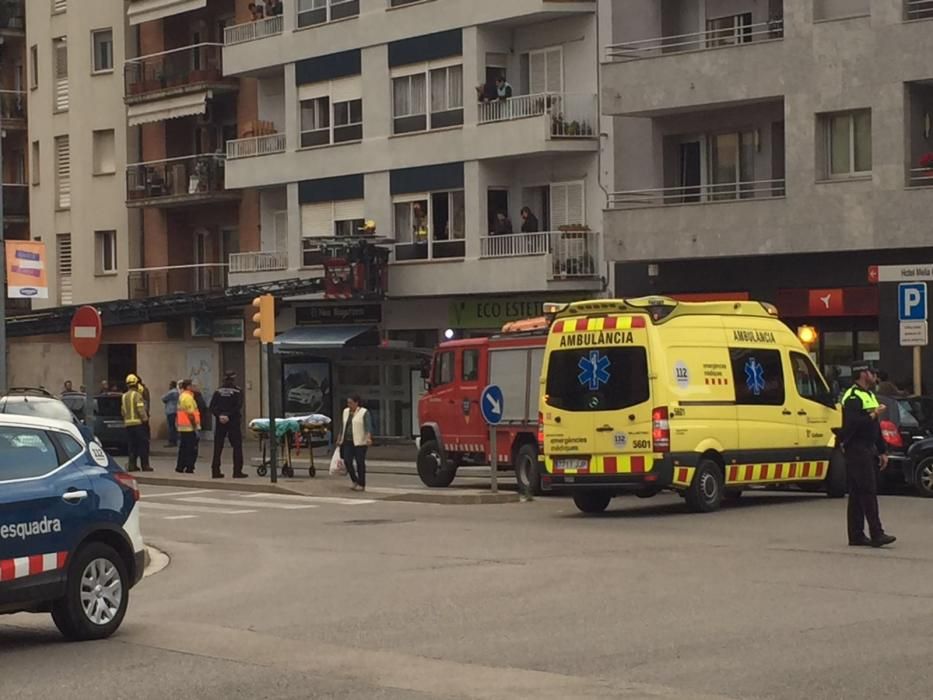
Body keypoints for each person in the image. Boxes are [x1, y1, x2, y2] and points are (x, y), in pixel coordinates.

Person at [838, 363, 896, 548]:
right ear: (863, 374)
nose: (874, 376)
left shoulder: (869, 395)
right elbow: (852, 425)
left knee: (856, 494)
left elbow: (875, 427)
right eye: (871, 372)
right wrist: (873, 415)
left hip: (868, 447)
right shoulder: (852, 397)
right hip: (856, 448)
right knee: (868, 491)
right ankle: (876, 533)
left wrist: (882, 450)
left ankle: (856, 535)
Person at [209, 371, 246, 480]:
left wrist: (220, 415)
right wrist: (228, 415)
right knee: (237, 446)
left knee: (218, 447)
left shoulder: (218, 391)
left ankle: (215, 471)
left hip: (220, 421)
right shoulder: (237, 391)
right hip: (233, 421)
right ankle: (237, 471)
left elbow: (212, 406)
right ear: (233, 379)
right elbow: (238, 406)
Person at [336, 394, 373, 492]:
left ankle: (362, 483)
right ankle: (354, 480)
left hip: (360, 442)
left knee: (360, 462)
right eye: (348, 403)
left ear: (357, 403)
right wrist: (340, 437)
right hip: (347, 440)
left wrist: (368, 437)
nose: (349, 405)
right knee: (347, 461)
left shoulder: (364, 412)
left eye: (351, 403)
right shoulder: (345, 411)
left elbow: (367, 426)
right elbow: (343, 425)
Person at [121, 374, 152, 473]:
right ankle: (145, 465)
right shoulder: (137, 395)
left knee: (132, 446)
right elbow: (140, 409)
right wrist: (145, 420)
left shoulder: (124, 396)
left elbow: (122, 411)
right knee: (143, 445)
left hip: (128, 425)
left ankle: (132, 465)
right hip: (139, 424)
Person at [176, 379, 201, 474]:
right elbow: (191, 414)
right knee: (191, 449)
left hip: (183, 427)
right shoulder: (188, 397)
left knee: (183, 449)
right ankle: (189, 467)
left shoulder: (182, 396)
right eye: (192, 385)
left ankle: (180, 466)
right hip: (190, 428)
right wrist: (195, 426)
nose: (194, 387)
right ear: (188, 387)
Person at [162, 380, 179, 448]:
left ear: (172, 385)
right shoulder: (177, 392)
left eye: (170, 385)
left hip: (170, 410)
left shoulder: (171, 392)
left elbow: (163, 398)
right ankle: (174, 440)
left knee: (171, 426)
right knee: (173, 426)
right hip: (175, 410)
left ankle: (171, 441)